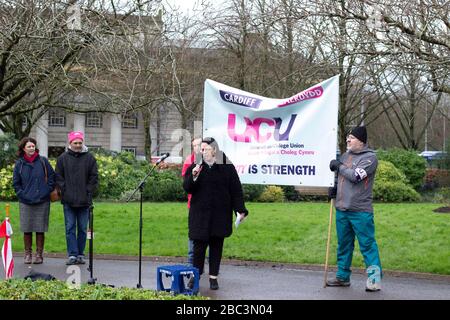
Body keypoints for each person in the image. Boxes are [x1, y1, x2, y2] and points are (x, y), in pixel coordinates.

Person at [183, 137, 248, 290]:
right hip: (200, 215)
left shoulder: (227, 167)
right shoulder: (196, 165)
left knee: (216, 246)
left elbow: (236, 191)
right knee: (198, 247)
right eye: (201, 148)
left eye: (205, 148)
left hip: (220, 214)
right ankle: (196, 276)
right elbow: (187, 187)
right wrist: (193, 175)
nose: (201, 151)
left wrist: (240, 210)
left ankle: (213, 278)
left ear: (214, 150)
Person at [327, 126, 382, 292]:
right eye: (347, 137)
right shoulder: (345, 156)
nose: (348, 140)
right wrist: (334, 189)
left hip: (360, 210)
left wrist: (339, 166)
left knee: (367, 245)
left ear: (361, 140)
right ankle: (342, 277)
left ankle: (374, 280)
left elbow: (356, 176)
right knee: (344, 244)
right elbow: (341, 177)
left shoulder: (370, 158)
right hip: (342, 209)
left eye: (351, 137)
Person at [55, 131, 98, 265]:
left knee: (82, 229)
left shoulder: (89, 158)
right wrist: (64, 191)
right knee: (70, 228)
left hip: (84, 201)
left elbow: (94, 177)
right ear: (70, 143)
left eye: (80, 142)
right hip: (68, 201)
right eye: (75, 143)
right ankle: (72, 254)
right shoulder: (62, 158)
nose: (78, 145)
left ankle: (80, 254)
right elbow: (58, 177)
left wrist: (88, 191)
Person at [13, 137, 55, 264]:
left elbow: (52, 177)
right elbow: (16, 183)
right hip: (25, 201)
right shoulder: (19, 164)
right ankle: (27, 254)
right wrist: (22, 194)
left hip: (42, 200)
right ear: (23, 149)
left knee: (40, 228)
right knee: (27, 228)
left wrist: (45, 191)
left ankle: (39, 255)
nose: (31, 148)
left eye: (33, 146)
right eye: (29, 146)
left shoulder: (43, 161)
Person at [181, 137, 202, 266]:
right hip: (193, 203)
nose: (197, 148)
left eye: (199, 145)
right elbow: (186, 182)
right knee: (193, 231)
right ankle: (191, 259)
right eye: (194, 146)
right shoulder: (189, 161)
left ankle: (208, 261)